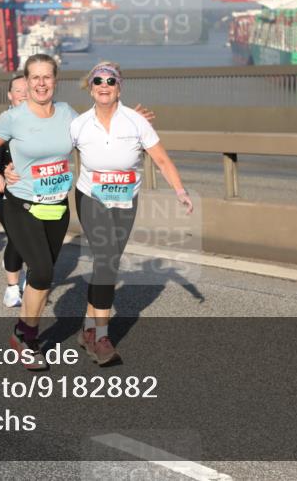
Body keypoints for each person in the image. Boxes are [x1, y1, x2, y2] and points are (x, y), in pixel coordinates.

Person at [71, 61, 193, 365]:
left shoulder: (136, 121)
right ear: (90, 87)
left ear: (118, 87)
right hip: (91, 198)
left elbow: (162, 160)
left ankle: (87, 329)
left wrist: (180, 191)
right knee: (107, 261)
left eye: (109, 81)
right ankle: (101, 337)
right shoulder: (78, 124)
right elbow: (54, 153)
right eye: (97, 80)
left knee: (105, 266)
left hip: (126, 200)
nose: (103, 85)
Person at [0, 54, 77, 370]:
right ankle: (29, 338)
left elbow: (96, 134)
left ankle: (23, 331)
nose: (42, 83)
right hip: (23, 206)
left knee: (42, 278)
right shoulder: (13, 118)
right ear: (27, 81)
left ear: (55, 81)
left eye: (47, 77)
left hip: (57, 205)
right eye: (35, 77)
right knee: (43, 271)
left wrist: (133, 125)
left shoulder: (67, 113)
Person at [0, 73, 29, 307]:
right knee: (18, 234)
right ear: (10, 95)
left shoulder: (41, 120)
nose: (23, 94)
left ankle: (23, 272)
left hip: (32, 189)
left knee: (28, 236)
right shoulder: (1, 122)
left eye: (27, 89)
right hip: (3, 188)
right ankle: (12, 288)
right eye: (18, 90)